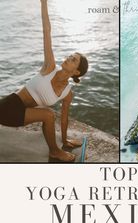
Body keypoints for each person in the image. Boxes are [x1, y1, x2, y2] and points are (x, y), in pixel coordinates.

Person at [0, 0, 88, 162]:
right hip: (9, 106)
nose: (69, 57)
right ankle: (54, 152)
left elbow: (64, 118)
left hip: (20, 114)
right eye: (70, 55)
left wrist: (65, 139)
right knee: (48, 115)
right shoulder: (49, 67)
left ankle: (57, 148)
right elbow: (47, 31)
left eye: (73, 59)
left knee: (50, 115)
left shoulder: (67, 93)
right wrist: (44, 3)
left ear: (76, 72)